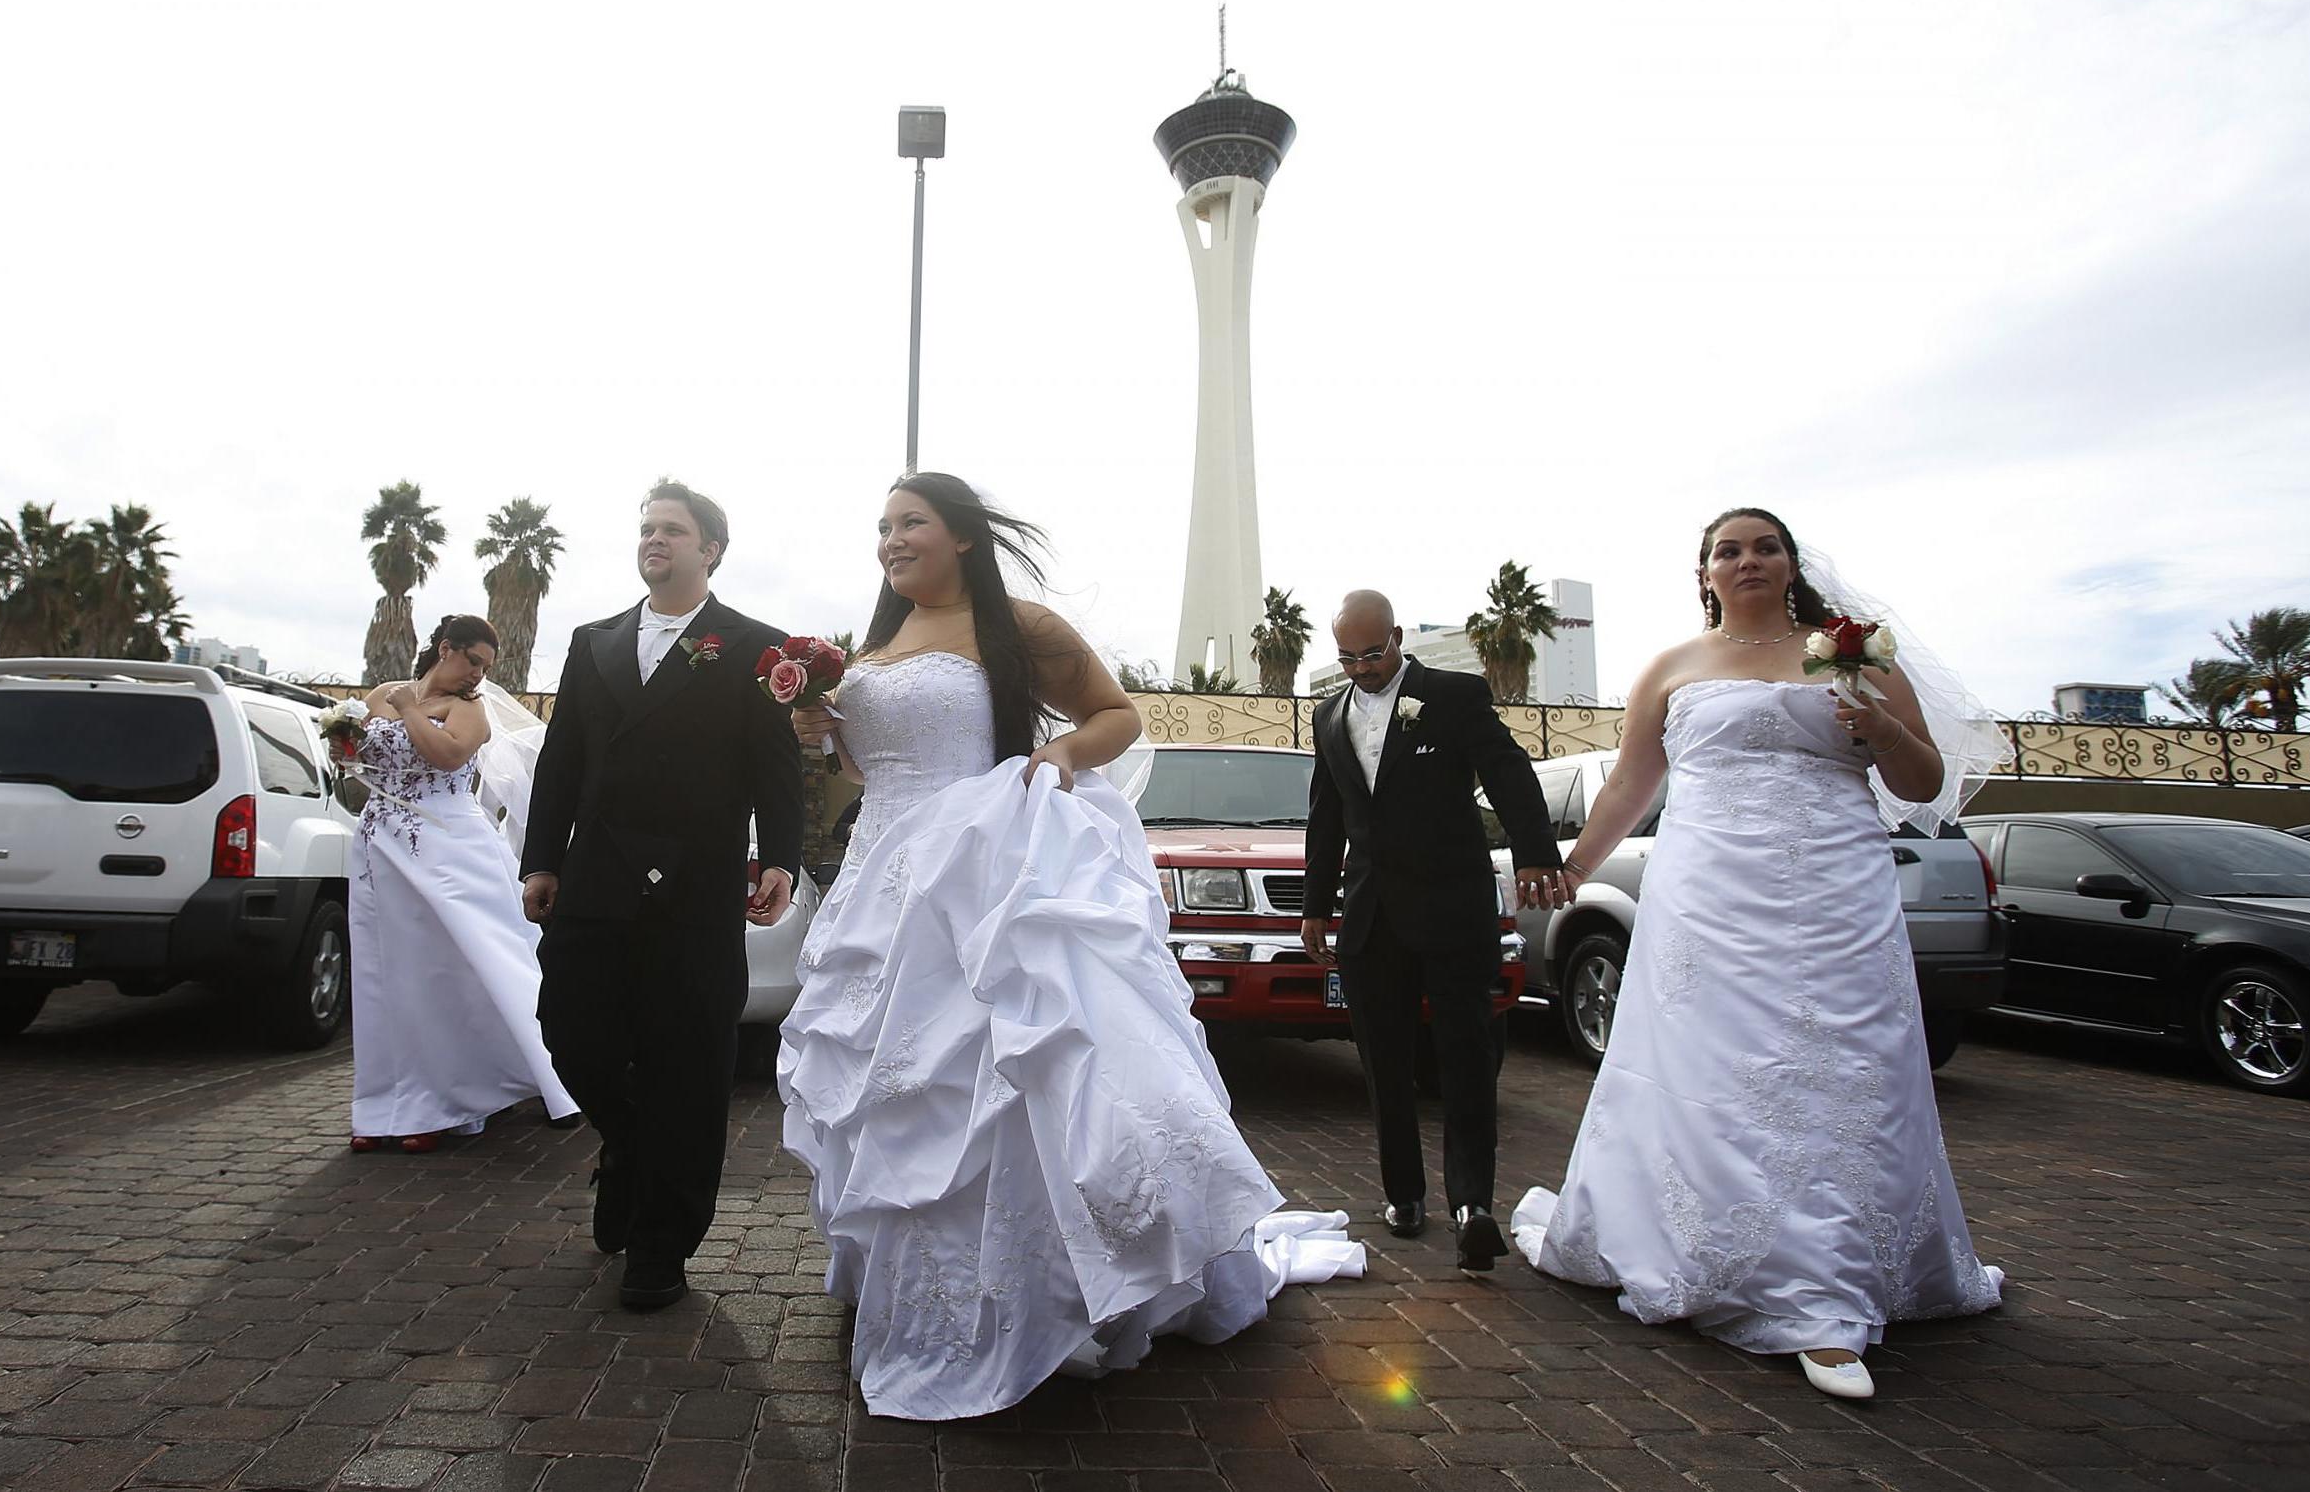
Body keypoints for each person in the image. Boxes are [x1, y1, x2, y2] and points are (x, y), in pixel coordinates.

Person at [776, 472, 1359, 1421]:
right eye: (882, 526)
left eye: (910, 523)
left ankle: (1044, 1289)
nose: (891, 540)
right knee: (897, 1083)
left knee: (1007, 1071)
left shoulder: (1018, 626)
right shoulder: (873, 646)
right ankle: (913, 1281)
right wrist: (819, 730)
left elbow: (1117, 715)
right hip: (888, 874)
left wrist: (1062, 756)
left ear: (961, 536)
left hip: (988, 867)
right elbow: (866, 767)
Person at [1510, 507, 2004, 1401]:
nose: (1746, 561)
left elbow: (1922, 784)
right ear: (1704, 573)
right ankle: (1738, 1261)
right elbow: (1631, 781)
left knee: (1845, 1070)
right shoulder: (1672, 668)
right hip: (1708, 903)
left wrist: (1881, 731)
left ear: (1789, 563)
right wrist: (1575, 868)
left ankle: (1834, 1281)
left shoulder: (1855, 655)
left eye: (1763, 547)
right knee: (1717, 1074)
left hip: (1838, 896)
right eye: (1727, 551)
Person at [520, 482, 804, 1312]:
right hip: (596, 880)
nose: (655, 540)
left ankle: (661, 1248)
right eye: (647, 528)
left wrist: (780, 857)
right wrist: (543, 859)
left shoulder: (755, 647)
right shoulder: (592, 640)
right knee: (570, 1032)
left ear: (711, 548)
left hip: (696, 887)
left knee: (688, 1065)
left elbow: (774, 768)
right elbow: (562, 760)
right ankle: (629, 1149)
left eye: (672, 530)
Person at [1301, 591, 1564, 1272]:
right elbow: (1326, 817)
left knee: (1467, 1058)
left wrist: (1537, 851)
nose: (1361, 667)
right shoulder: (1327, 716)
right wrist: (1314, 907)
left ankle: (1474, 1204)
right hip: (1369, 916)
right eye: (1348, 657)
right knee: (1382, 1062)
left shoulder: (1453, 694)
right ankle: (1404, 1196)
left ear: (1395, 638)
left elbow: (1507, 771)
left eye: (1373, 653)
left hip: (1453, 908)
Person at [347, 615, 578, 1153]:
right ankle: (384, 1107)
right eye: (472, 661)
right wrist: (347, 751)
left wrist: (408, 711)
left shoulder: (468, 710)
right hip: (380, 844)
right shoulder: (381, 694)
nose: (477, 675)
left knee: (456, 966)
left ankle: (452, 1100)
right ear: (445, 649)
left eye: (485, 667)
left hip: (447, 845)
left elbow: (448, 755)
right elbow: (366, 758)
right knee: (385, 971)